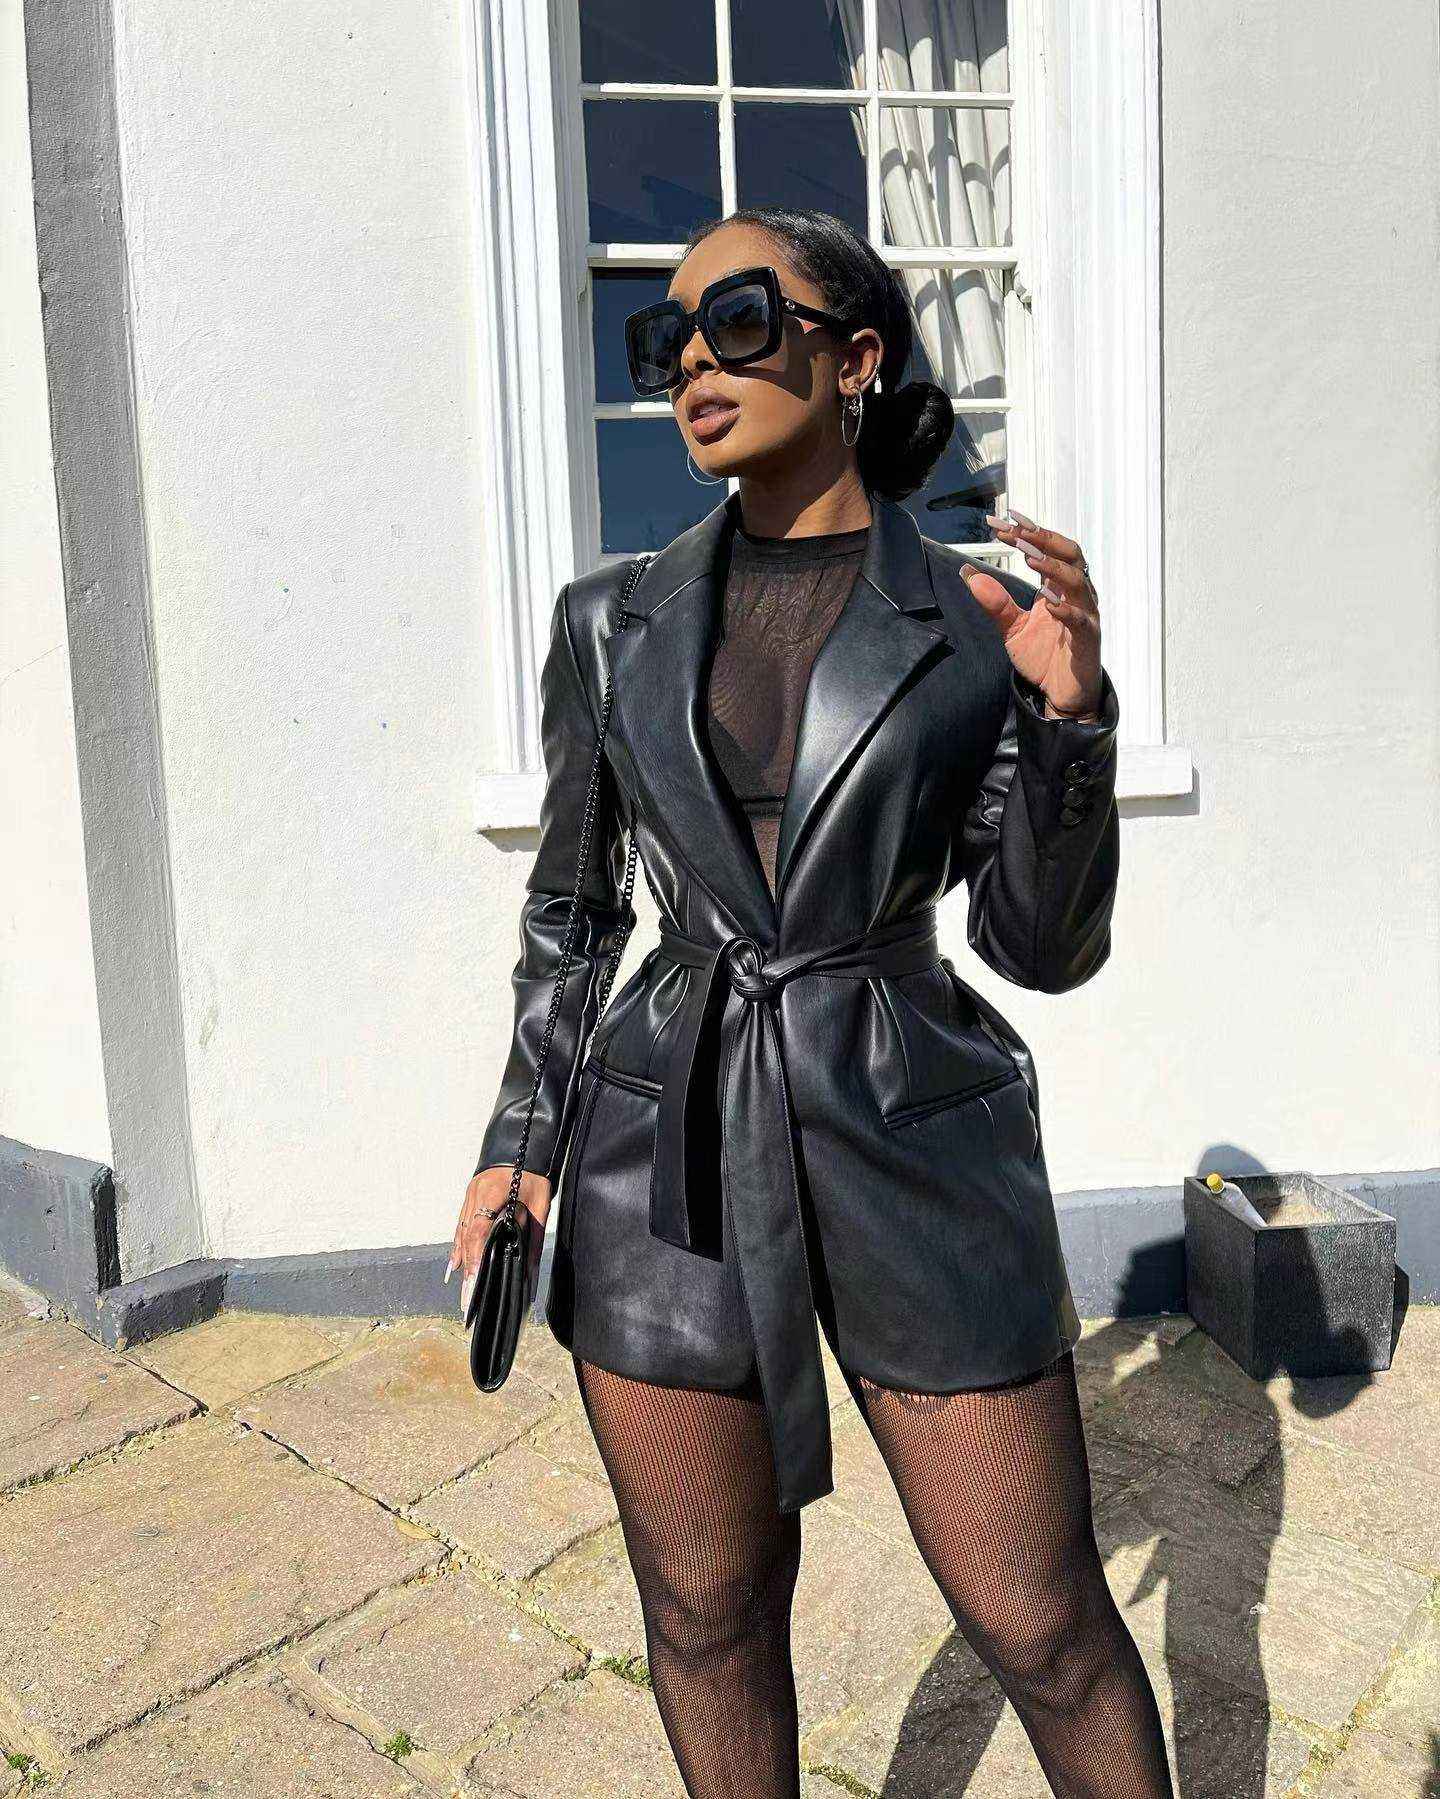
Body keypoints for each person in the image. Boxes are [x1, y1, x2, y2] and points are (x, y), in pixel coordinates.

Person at [450, 204, 1174, 1798]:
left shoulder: (978, 619)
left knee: (1043, 1623)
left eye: (740, 320)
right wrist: (520, 1141)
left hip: (913, 1126)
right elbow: (574, 908)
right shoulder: (606, 620)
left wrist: (1073, 721)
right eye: (668, 339)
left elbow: (1041, 948)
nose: (693, 363)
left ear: (856, 358)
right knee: (703, 1614)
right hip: (663, 1138)